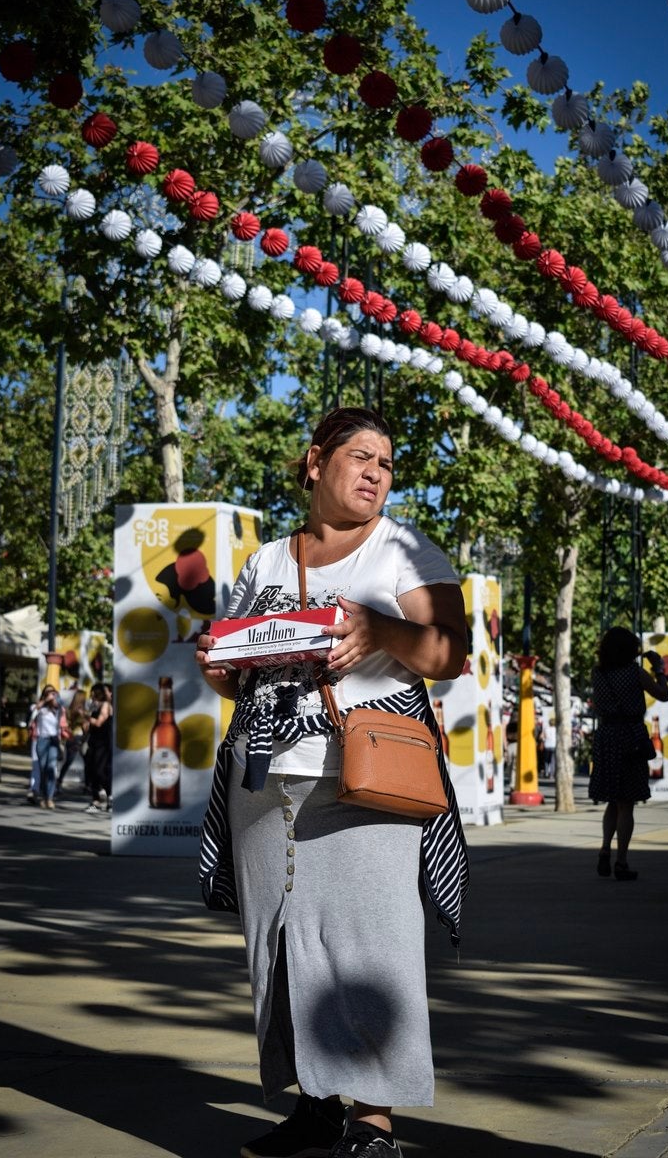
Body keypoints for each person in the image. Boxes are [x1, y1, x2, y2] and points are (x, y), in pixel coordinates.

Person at [196, 406, 469, 1158]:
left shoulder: (403, 546)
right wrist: (219, 670)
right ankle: (314, 1105)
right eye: (362, 457)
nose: (378, 472)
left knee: (371, 946)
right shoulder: (266, 562)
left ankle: (374, 1119)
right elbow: (242, 675)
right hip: (264, 776)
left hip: (363, 777)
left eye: (387, 461)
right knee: (281, 945)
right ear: (316, 463)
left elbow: (452, 652)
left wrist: (381, 631)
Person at [589, 627, 668, 880]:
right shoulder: (635, 673)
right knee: (627, 804)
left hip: (606, 736)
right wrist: (658, 669)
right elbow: (663, 695)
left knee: (613, 800)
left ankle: (604, 849)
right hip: (630, 737)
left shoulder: (597, 673)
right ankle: (621, 861)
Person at [33, 684, 66, 810]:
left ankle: (50, 798)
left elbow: (62, 704)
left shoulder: (58, 709)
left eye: (54, 694)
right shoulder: (41, 709)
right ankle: (43, 796)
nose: (52, 696)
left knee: (51, 768)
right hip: (42, 740)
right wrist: (45, 700)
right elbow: (33, 711)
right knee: (43, 770)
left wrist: (56, 698)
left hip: (53, 740)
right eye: (49, 694)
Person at [83, 683, 113, 813]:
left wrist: (85, 716)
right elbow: (89, 726)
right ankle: (95, 801)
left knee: (101, 771)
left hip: (103, 743)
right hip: (93, 741)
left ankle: (110, 796)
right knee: (91, 771)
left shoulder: (105, 706)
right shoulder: (94, 706)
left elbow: (99, 722)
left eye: (93, 693)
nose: (91, 696)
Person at [57, 687, 88, 792]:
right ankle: (87, 785)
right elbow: (85, 726)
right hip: (79, 737)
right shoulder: (82, 712)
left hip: (70, 737)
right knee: (86, 761)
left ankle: (59, 781)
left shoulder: (68, 710)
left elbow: (66, 724)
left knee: (69, 761)